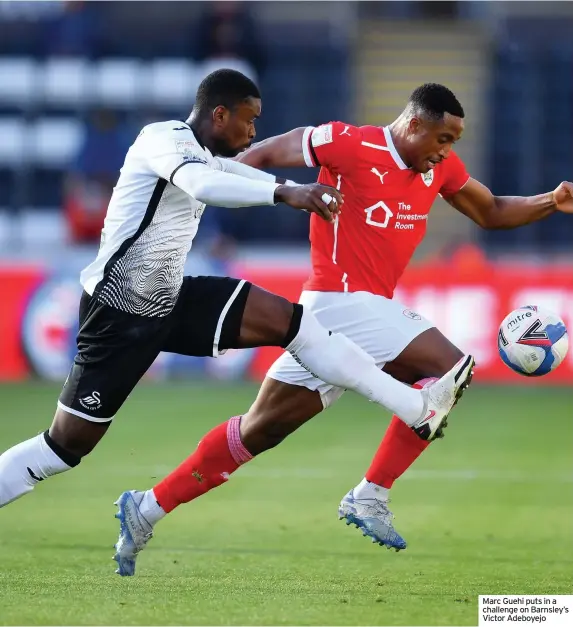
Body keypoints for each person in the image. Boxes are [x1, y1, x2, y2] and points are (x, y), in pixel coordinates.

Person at [0, 72, 474, 533]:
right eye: (248, 121)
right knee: (65, 447)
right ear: (219, 114)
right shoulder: (162, 137)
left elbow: (232, 173)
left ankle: (414, 408)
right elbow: (205, 186)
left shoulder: (208, 156)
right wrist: (285, 191)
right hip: (118, 310)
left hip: (172, 297)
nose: (253, 133)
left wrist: (306, 191)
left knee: (296, 324)